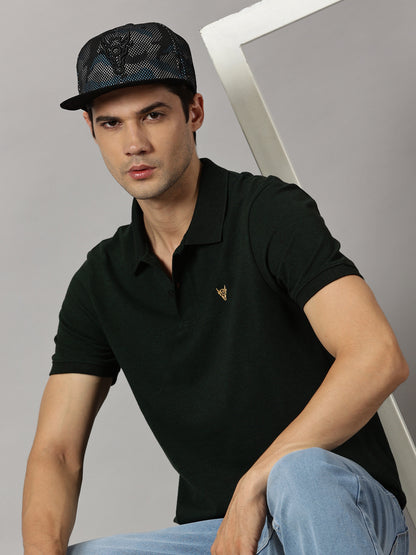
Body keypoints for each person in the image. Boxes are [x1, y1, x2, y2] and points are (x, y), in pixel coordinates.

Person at [22, 22, 410, 555]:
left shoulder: (267, 213)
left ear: (194, 113)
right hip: (221, 534)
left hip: (338, 510)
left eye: (153, 115)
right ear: (92, 129)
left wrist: (255, 484)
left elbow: (377, 357)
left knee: (299, 473)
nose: (134, 144)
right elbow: (57, 452)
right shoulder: (100, 282)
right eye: (111, 123)